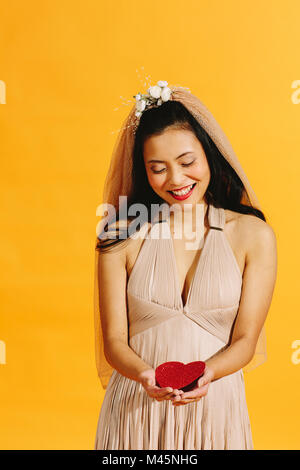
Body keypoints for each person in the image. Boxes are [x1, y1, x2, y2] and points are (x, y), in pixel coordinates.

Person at [93, 81, 277, 450]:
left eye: (187, 162)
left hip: (216, 406)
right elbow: (114, 341)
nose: (176, 180)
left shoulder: (254, 236)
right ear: (143, 170)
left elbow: (245, 341)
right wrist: (145, 377)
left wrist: (209, 373)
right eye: (157, 168)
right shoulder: (121, 235)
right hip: (136, 408)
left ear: (210, 154)